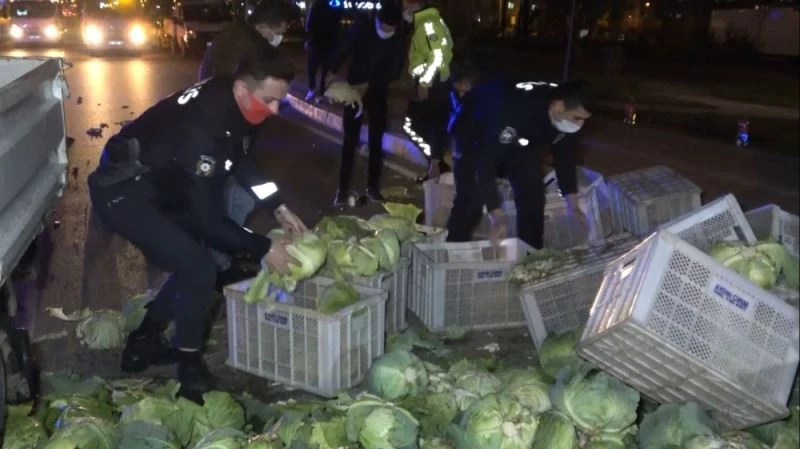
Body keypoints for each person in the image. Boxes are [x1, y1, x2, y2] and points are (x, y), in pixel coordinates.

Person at [87, 56, 307, 403]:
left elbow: (243, 159)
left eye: (281, 100)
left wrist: (277, 205)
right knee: (198, 266)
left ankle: (142, 344)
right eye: (269, 100)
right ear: (242, 89)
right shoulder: (203, 126)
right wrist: (264, 248)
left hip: (163, 185)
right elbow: (207, 220)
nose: (276, 109)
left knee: (195, 262)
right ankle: (190, 371)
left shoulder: (238, 103)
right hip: (124, 191)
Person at [446, 79, 592, 249]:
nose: (580, 125)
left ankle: (530, 253)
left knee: (533, 190)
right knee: (472, 197)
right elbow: (485, 165)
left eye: (584, 119)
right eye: (577, 118)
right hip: (473, 131)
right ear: (558, 106)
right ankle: (452, 248)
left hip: (519, 137)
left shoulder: (566, 114)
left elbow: (565, 157)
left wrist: (572, 204)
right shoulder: (516, 113)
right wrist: (497, 215)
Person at [327, 2, 405, 206]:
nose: (388, 31)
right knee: (350, 140)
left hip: (378, 91)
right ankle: (343, 190)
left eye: (392, 28)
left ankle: (373, 186)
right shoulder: (362, 28)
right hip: (353, 90)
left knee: (376, 141)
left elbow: (395, 70)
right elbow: (342, 48)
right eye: (385, 27)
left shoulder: (398, 37)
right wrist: (331, 70)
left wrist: (370, 84)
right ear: (378, 20)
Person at [400, 0, 454, 184]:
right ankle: (437, 167)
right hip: (430, 82)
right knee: (422, 128)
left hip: (434, 84)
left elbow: (438, 56)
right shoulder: (425, 21)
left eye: (405, 4)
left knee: (420, 127)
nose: (403, 8)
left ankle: (437, 167)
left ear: (414, 3)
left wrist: (424, 83)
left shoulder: (428, 23)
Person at [197, 0, 291, 80]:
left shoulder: (243, 32)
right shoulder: (239, 40)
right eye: (278, 33)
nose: (280, 38)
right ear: (262, 27)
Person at [304, 0, 343, 101]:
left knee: (324, 71)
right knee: (312, 69)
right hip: (316, 43)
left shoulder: (335, 4)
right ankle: (312, 89)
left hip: (329, 44)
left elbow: (338, 22)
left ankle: (321, 92)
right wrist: (308, 40)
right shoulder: (316, 5)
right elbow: (309, 24)